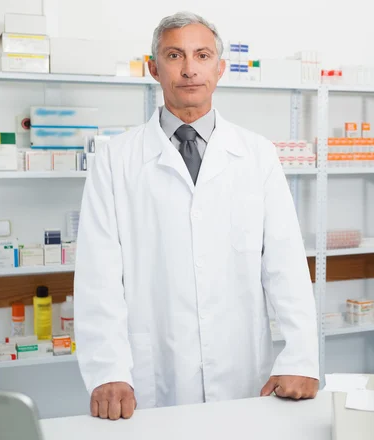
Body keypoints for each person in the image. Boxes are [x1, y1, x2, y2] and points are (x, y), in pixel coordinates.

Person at [74, 11, 319, 421]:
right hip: (153, 370)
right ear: (153, 68)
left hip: (243, 367)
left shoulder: (257, 154)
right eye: (174, 55)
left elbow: (285, 263)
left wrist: (301, 357)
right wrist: (108, 369)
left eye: (202, 55)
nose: (189, 70)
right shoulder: (115, 159)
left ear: (220, 69)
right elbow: (98, 273)